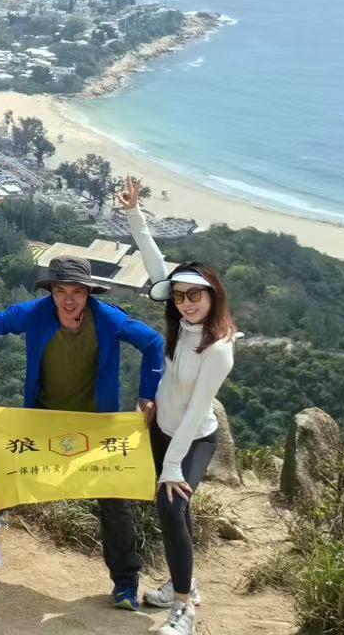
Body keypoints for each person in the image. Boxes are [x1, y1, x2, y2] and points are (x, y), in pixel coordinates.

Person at [0, 254, 165, 610]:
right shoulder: (34, 313)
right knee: (9, 471)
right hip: (44, 418)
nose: (68, 300)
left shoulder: (108, 319)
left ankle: (125, 583)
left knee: (113, 500)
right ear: (50, 291)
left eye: (77, 292)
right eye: (61, 291)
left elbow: (153, 343)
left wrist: (147, 394)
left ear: (89, 293)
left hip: (95, 425)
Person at [121, 177, 237, 635]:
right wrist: (134, 214)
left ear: (213, 296)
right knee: (177, 512)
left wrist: (172, 465)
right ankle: (182, 582)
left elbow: (196, 410)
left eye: (196, 295)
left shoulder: (219, 348)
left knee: (170, 507)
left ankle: (185, 607)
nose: (187, 303)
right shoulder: (180, 324)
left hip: (193, 438)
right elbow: (156, 268)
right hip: (162, 428)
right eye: (181, 296)